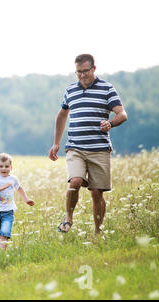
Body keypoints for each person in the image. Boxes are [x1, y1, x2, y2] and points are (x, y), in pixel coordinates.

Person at [49, 54, 128, 235]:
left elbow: (122, 114)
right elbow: (62, 115)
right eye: (79, 72)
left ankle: (97, 232)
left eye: (85, 71)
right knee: (74, 181)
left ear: (94, 68)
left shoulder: (107, 88)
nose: (82, 75)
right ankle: (68, 218)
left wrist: (111, 123)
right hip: (75, 146)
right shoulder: (70, 90)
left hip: (99, 148)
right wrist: (56, 143)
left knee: (96, 192)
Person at [0, 153, 34, 250]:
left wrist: (26, 199)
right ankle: (0, 247)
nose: (4, 168)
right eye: (1, 166)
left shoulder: (13, 179)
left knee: (5, 232)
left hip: (8, 211)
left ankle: (3, 255)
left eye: (7, 166)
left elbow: (19, 188)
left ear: (11, 167)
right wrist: (2, 187)